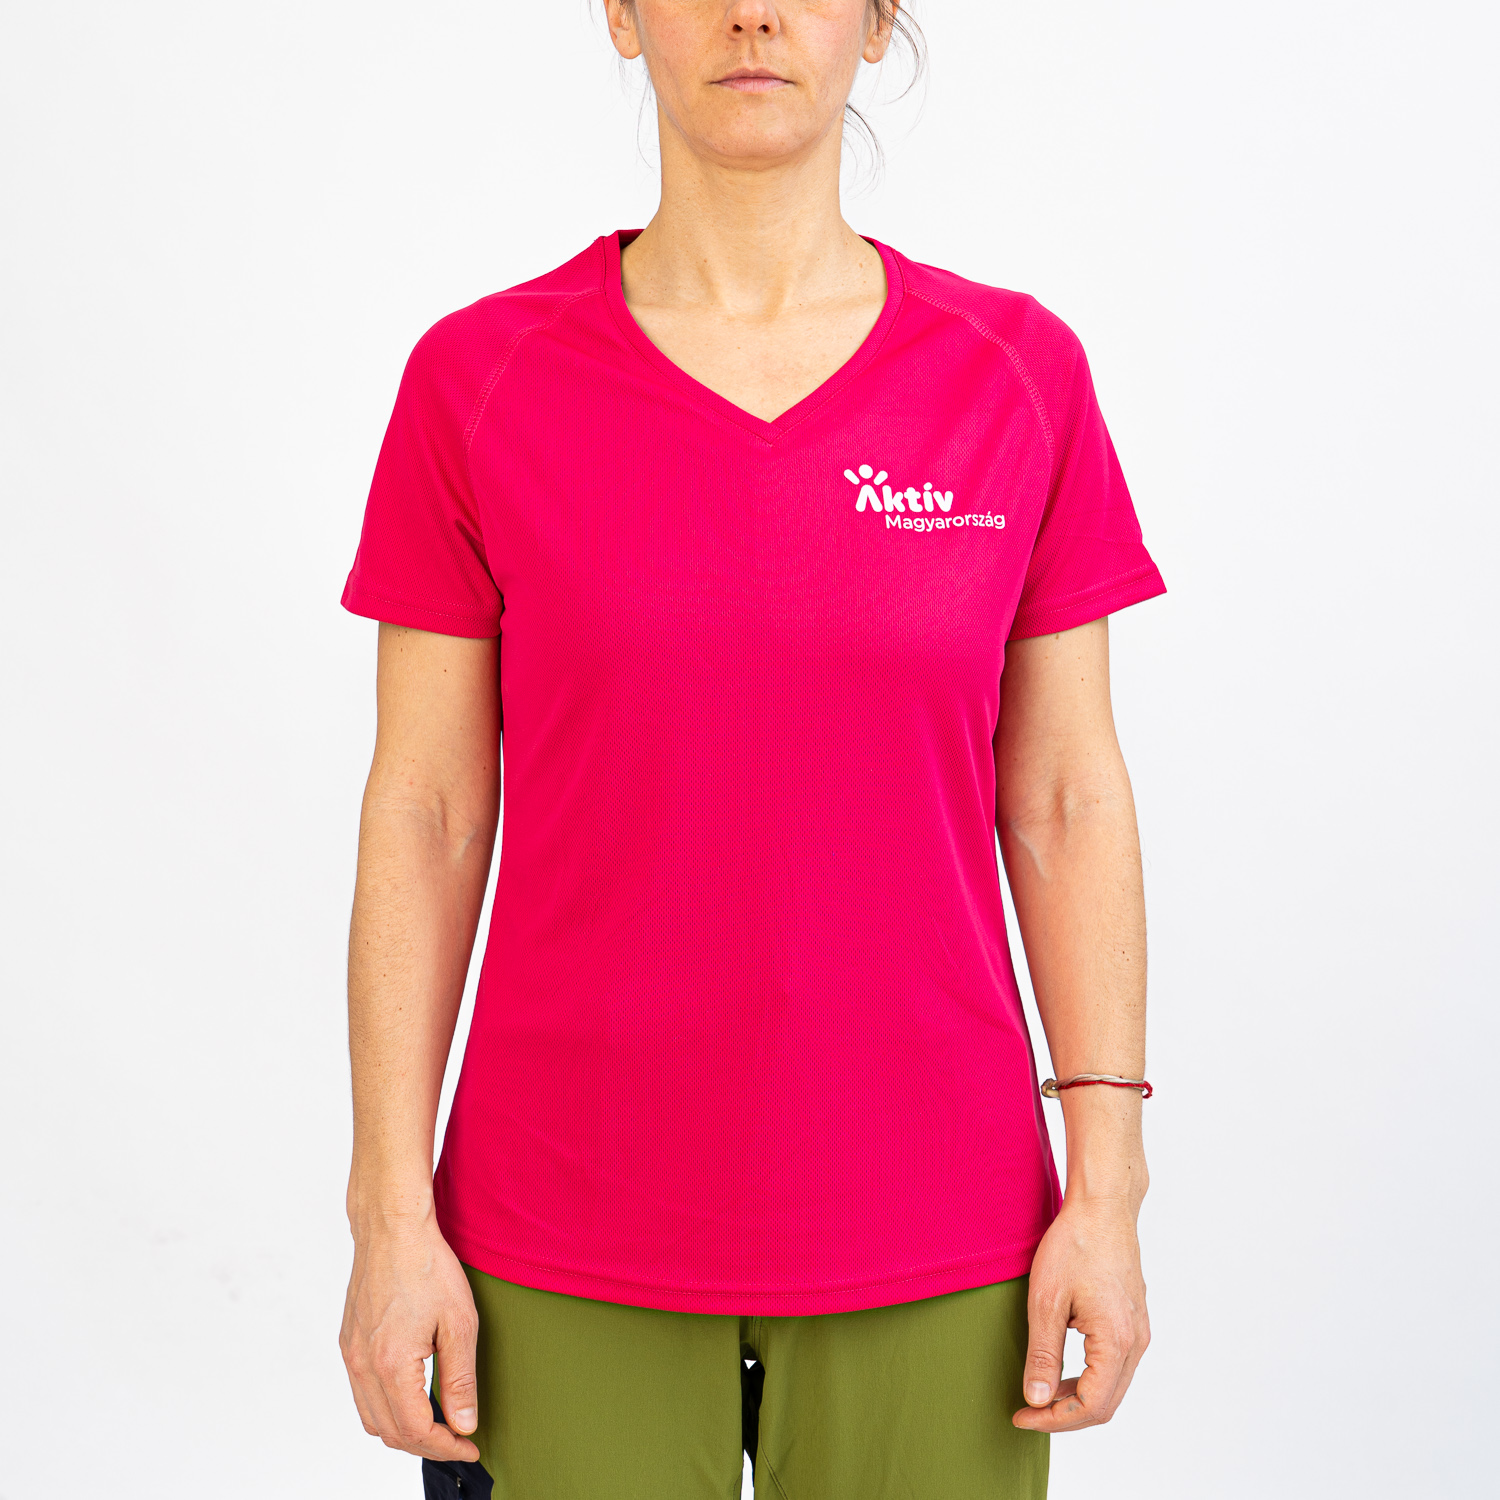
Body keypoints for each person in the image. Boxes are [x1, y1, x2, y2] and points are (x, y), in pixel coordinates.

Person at [337, 3, 1165, 1496]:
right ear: (620, 14)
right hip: (557, 1231)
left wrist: (1109, 1191)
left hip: (940, 1227)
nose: (754, 13)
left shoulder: (1014, 375)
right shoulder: (480, 378)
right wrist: (390, 1214)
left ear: (877, 21)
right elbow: (428, 812)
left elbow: (1065, 801)